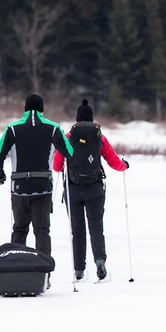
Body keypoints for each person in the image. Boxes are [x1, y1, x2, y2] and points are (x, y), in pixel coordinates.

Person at [0, 94, 74, 289]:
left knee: (20, 229)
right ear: (42, 109)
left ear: (25, 108)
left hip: (19, 189)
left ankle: (15, 271)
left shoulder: (12, 128)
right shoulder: (53, 128)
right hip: (43, 187)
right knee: (42, 230)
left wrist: (0, 175)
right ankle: (44, 276)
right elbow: (69, 152)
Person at [53, 99, 129, 281]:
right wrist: (124, 165)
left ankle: (79, 270)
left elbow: (57, 165)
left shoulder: (67, 137)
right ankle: (100, 262)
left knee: (77, 230)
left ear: (77, 118)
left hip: (72, 189)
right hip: (95, 189)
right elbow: (113, 162)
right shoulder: (99, 137)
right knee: (96, 227)